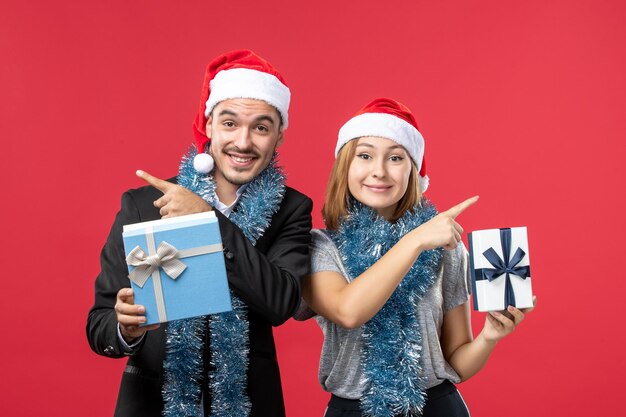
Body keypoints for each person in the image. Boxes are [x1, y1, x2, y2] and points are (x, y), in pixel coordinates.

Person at [87, 49, 313, 417]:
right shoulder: (143, 205)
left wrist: (208, 220)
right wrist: (127, 330)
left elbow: (280, 302)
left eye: (260, 127)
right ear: (207, 125)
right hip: (152, 402)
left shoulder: (292, 209)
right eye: (229, 123)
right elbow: (99, 326)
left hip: (250, 402)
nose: (243, 142)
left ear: (279, 137)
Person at [298, 98, 535, 417]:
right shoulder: (320, 247)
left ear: (412, 170)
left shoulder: (445, 247)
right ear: (345, 166)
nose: (379, 171)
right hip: (354, 409)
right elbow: (348, 311)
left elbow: (456, 364)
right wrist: (415, 241)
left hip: (436, 407)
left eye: (395, 157)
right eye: (364, 155)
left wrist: (489, 337)